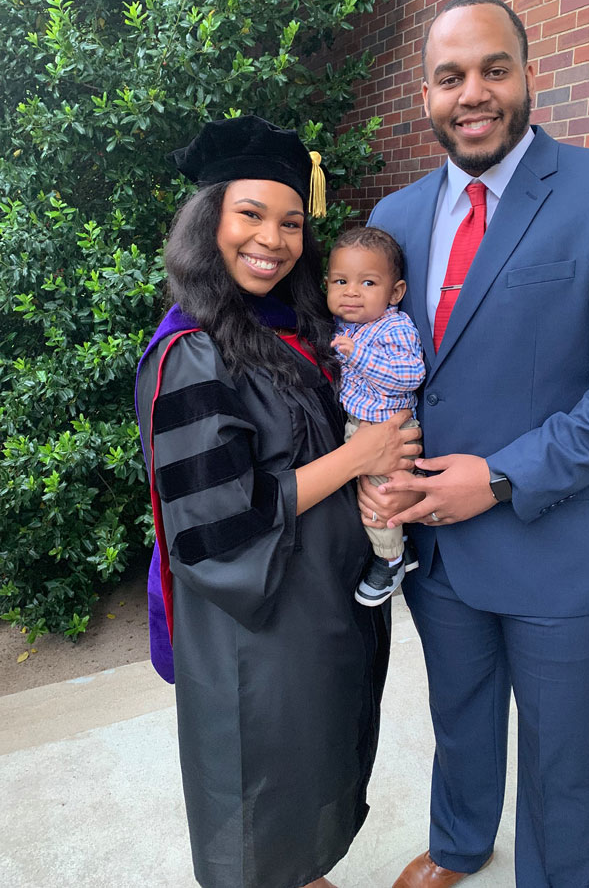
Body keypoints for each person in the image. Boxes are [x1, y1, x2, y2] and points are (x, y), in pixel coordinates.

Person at [360, 0, 589, 888]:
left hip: (564, 544)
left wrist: (502, 476)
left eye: (493, 69)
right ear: (426, 96)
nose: (473, 93)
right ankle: (460, 842)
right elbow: (392, 370)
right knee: (460, 716)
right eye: (450, 77)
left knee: (563, 758)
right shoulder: (397, 218)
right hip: (440, 547)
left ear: (528, 76)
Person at [134, 115, 421, 888]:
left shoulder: (292, 329)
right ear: (209, 223)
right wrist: (358, 456)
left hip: (316, 601)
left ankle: (303, 873)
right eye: (251, 215)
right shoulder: (192, 351)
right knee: (258, 773)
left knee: (310, 760)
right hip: (257, 623)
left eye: (291, 222)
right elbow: (218, 520)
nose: (273, 238)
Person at [327, 226, 426, 606]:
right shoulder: (345, 327)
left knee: (376, 499)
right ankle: (402, 546)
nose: (351, 292)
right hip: (361, 427)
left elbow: (409, 375)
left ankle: (390, 560)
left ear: (395, 293)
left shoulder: (393, 327)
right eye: (340, 281)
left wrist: (358, 356)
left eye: (367, 282)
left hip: (388, 430)